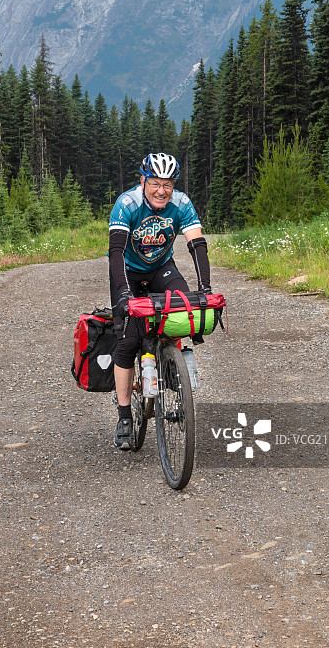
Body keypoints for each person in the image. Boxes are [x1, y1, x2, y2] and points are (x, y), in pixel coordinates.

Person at [108, 152, 211, 450]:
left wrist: (205, 287)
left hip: (162, 268)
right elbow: (116, 253)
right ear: (143, 181)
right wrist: (125, 295)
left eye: (168, 183)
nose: (161, 190)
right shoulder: (126, 204)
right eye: (155, 183)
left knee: (180, 310)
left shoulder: (181, 204)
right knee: (127, 341)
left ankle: (171, 373)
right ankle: (125, 416)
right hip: (127, 271)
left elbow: (197, 244)